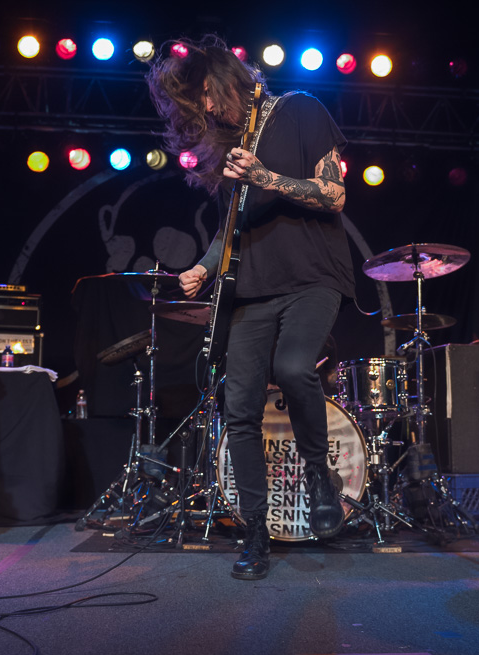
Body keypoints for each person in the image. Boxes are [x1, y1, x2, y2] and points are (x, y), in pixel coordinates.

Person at [147, 36, 355, 580]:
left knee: (292, 368)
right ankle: (255, 534)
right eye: (199, 107)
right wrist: (202, 266)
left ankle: (318, 476)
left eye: (208, 97)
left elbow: (334, 195)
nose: (208, 110)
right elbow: (230, 228)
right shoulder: (230, 146)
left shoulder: (300, 109)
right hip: (251, 291)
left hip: (312, 278)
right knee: (237, 411)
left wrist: (263, 174)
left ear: (226, 80)